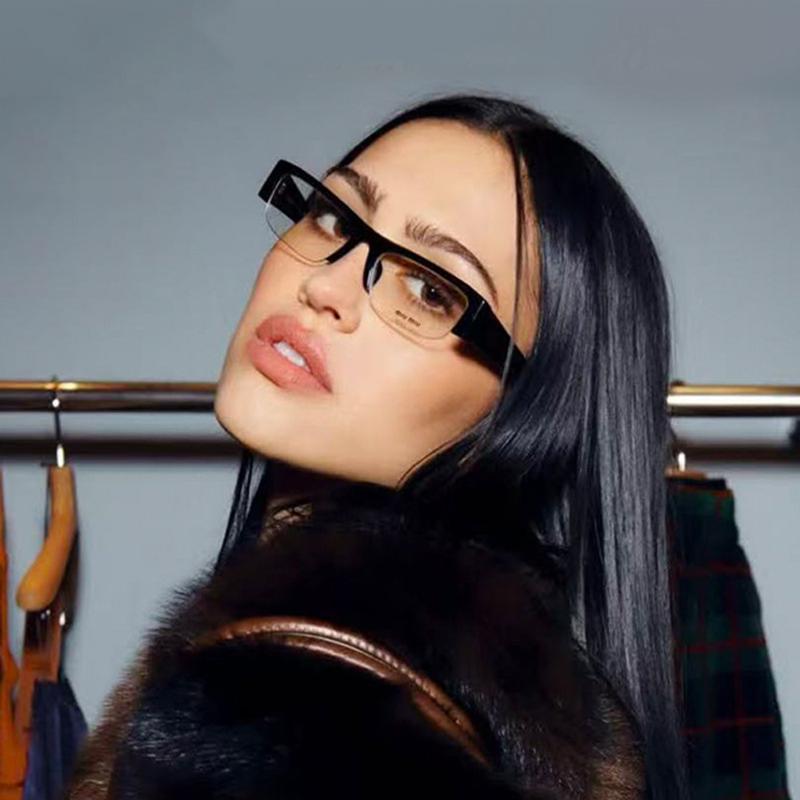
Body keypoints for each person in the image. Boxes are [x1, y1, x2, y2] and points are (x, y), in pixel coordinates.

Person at [65, 92, 687, 799]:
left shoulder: (311, 703)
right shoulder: (516, 698)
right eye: (334, 216)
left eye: (429, 289)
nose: (325, 284)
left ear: (527, 411)